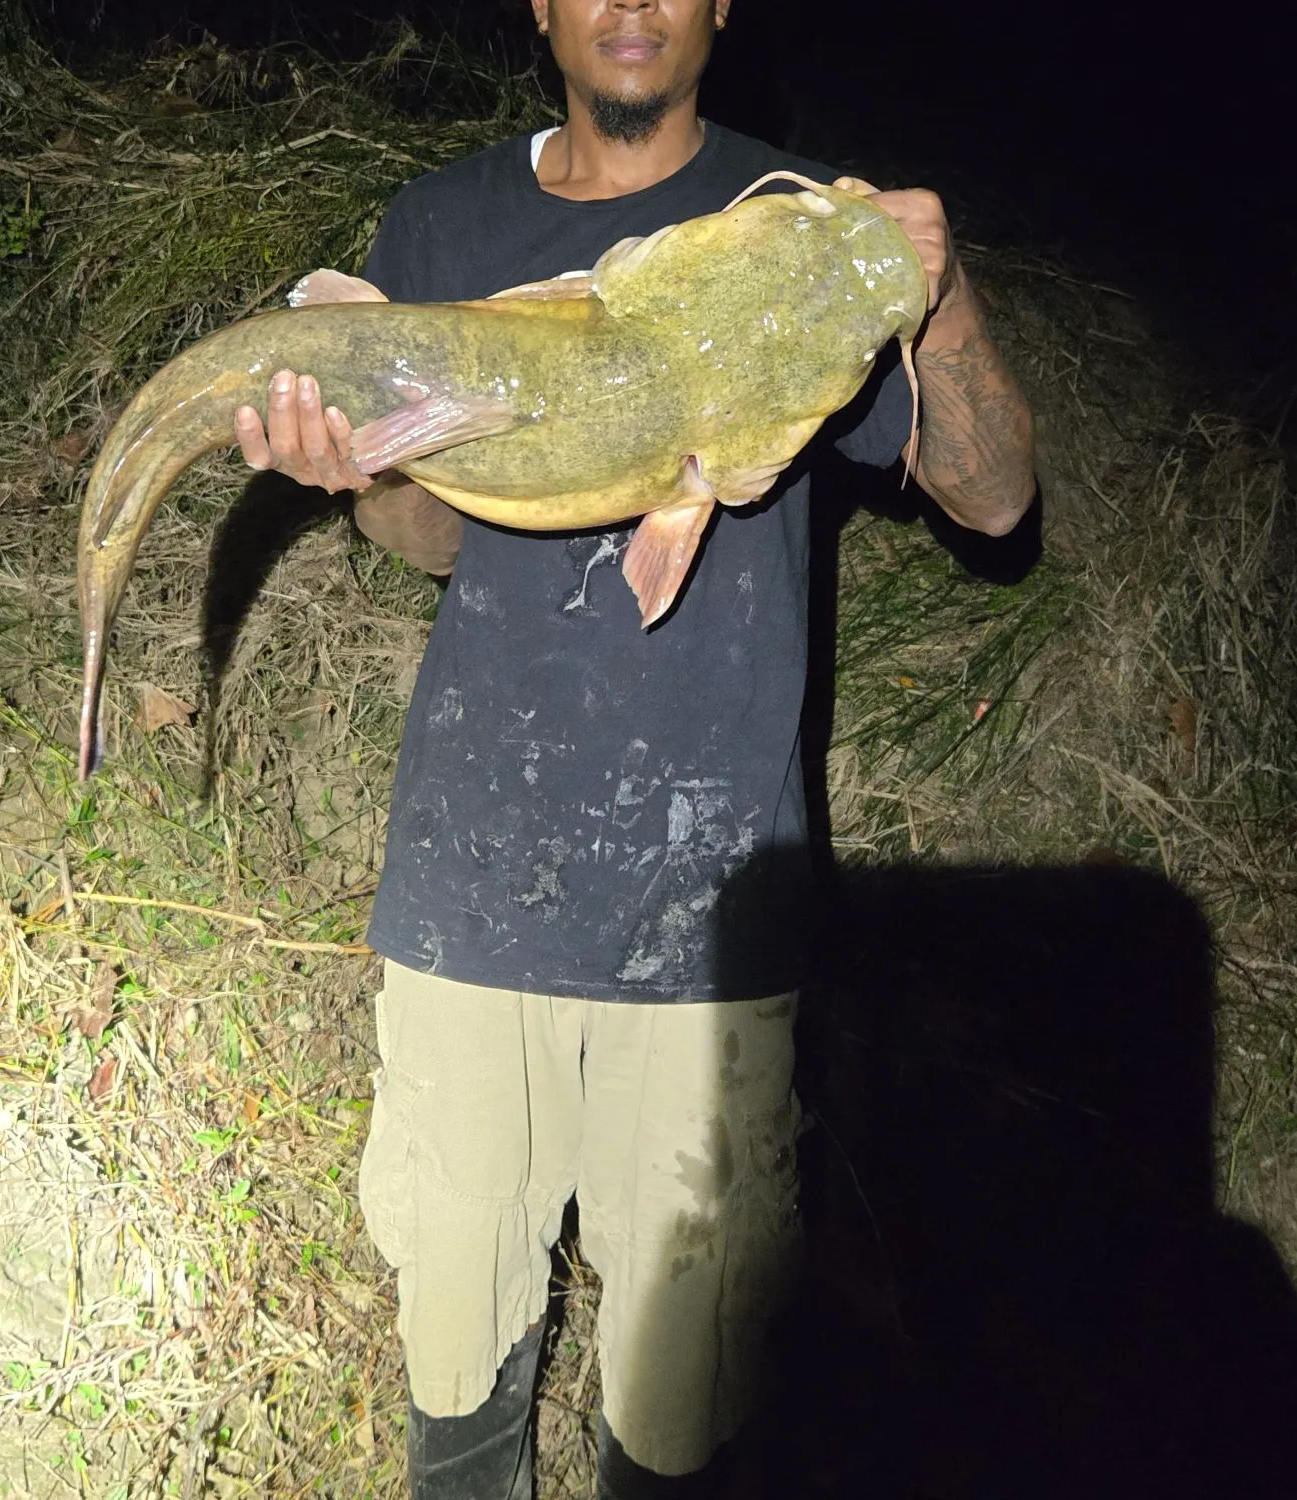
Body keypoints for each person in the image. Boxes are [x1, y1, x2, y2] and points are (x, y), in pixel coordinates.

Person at [235, 2, 1035, 1495]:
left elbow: (993, 503)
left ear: (722, 6)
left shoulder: (797, 233)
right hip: (473, 877)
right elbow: (432, 546)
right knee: (457, 1339)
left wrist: (936, 300)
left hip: (716, 908)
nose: (631, 5)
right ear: (540, 6)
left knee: (686, 1394)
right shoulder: (445, 221)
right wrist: (359, 470)